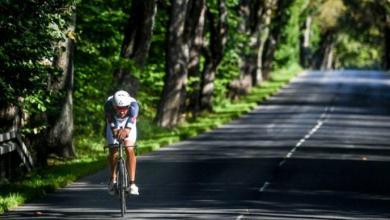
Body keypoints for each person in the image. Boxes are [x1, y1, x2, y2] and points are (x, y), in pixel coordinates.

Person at [104, 90, 139, 196]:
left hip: (128, 122)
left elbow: (130, 124)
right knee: (113, 149)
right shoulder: (108, 105)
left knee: (129, 147)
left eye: (125, 108)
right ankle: (113, 179)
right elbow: (110, 121)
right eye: (119, 108)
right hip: (114, 121)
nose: (122, 111)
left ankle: (132, 183)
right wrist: (115, 130)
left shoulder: (133, 106)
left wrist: (126, 130)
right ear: (114, 105)